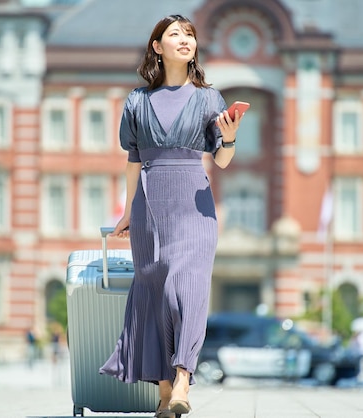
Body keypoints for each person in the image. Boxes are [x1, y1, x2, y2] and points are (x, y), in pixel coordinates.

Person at [98, 15, 242, 418]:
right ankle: (165, 394)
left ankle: (182, 378)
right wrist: (128, 210)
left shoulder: (209, 98)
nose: (186, 39)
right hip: (150, 205)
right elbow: (133, 160)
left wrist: (228, 136)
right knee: (156, 293)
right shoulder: (137, 102)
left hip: (194, 205)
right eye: (176, 34)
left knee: (187, 287)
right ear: (157, 47)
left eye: (191, 34)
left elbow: (224, 160)